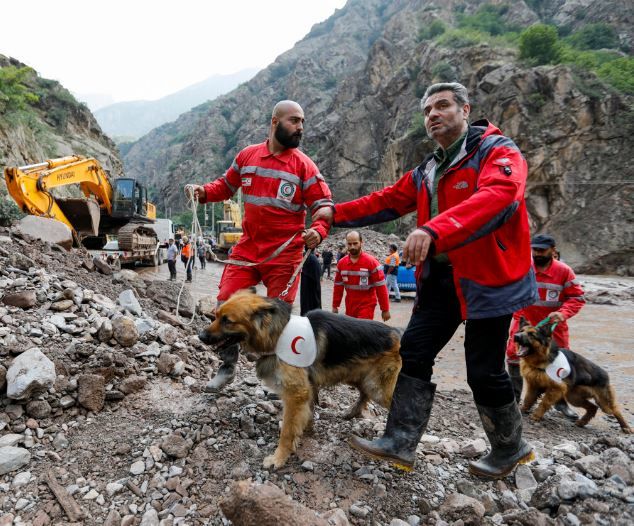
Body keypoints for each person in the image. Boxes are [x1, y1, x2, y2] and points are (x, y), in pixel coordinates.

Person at [313, 82, 537, 478]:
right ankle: (400, 442)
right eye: (427, 109)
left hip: (489, 278)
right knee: (412, 351)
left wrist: (435, 230)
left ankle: (511, 448)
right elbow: (384, 201)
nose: (433, 114)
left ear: (465, 109)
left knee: (483, 370)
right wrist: (335, 214)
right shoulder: (429, 169)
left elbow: (500, 194)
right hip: (441, 279)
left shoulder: (497, 151)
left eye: (443, 105)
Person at [187, 100, 334, 391]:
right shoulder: (247, 157)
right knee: (225, 303)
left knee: (276, 317)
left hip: (285, 255)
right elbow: (225, 186)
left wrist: (318, 230)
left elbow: (324, 205)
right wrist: (203, 193)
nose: (300, 127)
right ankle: (227, 367)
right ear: (274, 121)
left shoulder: (304, 166)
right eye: (294, 120)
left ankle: (273, 376)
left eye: (302, 122)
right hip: (248, 249)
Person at [506, 234, 585, 419]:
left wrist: (563, 313)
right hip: (524, 323)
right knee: (514, 356)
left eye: (541, 250)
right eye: (534, 249)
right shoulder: (522, 267)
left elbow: (577, 298)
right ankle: (512, 402)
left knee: (559, 364)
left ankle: (560, 404)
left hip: (553, 327)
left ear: (553, 251)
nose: (537, 253)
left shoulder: (564, 271)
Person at [332, 231, 391, 322]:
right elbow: (338, 286)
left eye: (355, 243)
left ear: (361, 242)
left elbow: (381, 287)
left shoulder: (372, 262)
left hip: (367, 305)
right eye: (349, 244)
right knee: (352, 332)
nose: (352, 247)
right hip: (350, 305)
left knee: (362, 332)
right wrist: (335, 306)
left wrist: (385, 309)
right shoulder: (341, 263)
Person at [300, 249, 322, 315]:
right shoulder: (313, 258)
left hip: (305, 284)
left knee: (305, 304)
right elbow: (318, 274)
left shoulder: (304, 256)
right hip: (313, 286)